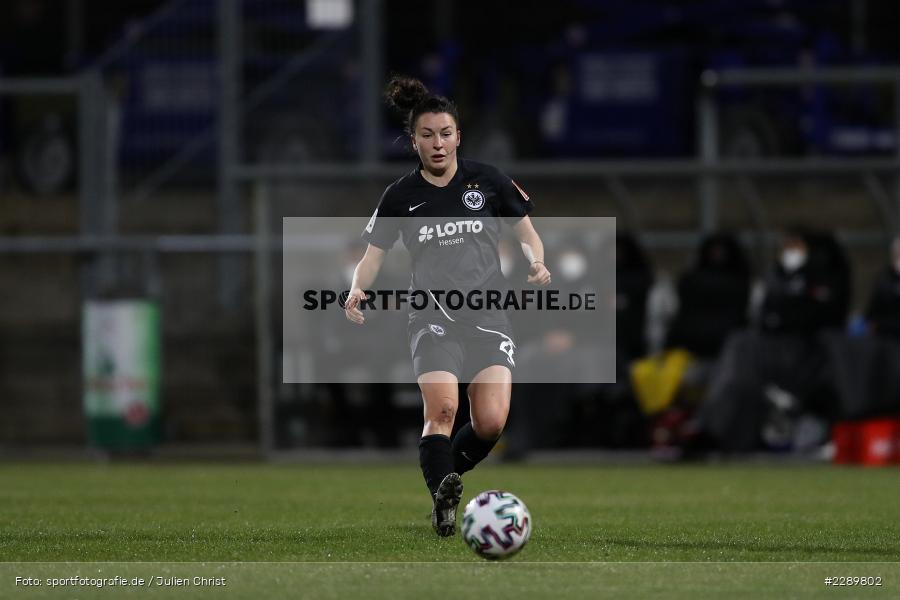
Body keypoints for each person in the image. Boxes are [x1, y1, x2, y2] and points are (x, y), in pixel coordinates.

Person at [343, 76, 551, 537]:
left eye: (446, 134)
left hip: (488, 316)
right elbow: (371, 257)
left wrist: (537, 261)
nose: (438, 144)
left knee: (492, 422)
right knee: (441, 411)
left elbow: (527, 232)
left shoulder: (489, 181)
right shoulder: (400, 196)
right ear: (413, 141)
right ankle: (443, 501)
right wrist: (357, 289)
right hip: (432, 317)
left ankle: (444, 482)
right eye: (427, 135)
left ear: (458, 136)